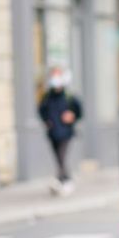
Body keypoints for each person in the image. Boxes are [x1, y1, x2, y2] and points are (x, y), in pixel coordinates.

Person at [39, 67, 82, 195]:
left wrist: (72, 116)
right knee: (58, 159)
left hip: (65, 133)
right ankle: (65, 180)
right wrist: (46, 120)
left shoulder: (69, 96)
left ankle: (62, 181)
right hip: (52, 133)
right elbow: (42, 111)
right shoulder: (47, 96)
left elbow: (79, 111)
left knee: (61, 158)